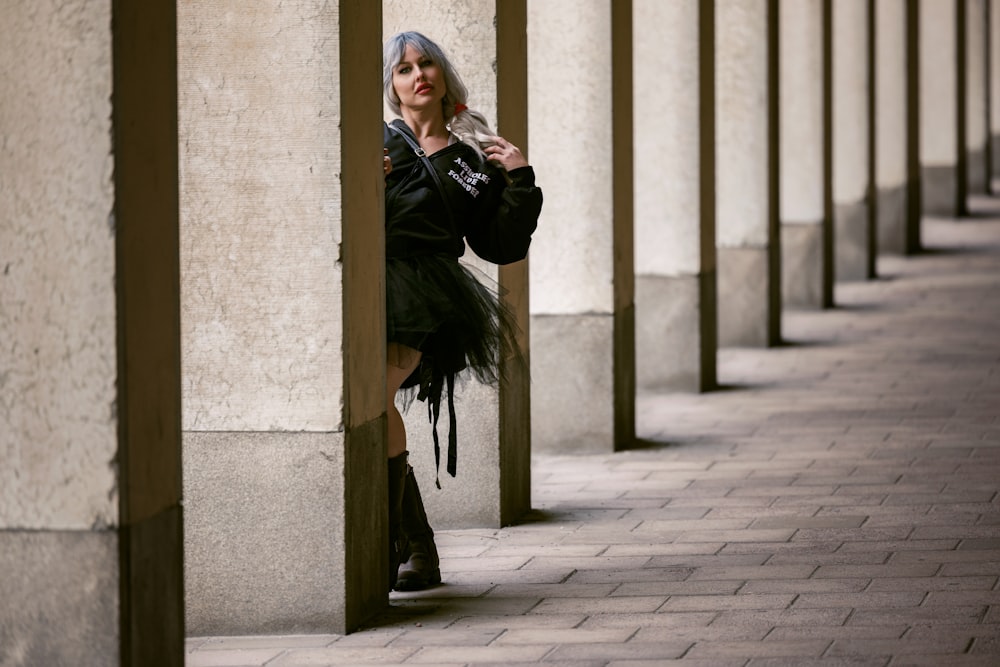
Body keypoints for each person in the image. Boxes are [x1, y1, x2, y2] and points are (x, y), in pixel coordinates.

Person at [381, 31, 543, 592]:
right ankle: (417, 548)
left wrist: (519, 180)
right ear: (392, 85)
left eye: (427, 64)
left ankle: (400, 544)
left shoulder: (468, 160)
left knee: (376, 396)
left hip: (426, 295)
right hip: (371, 289)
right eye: (404, 69)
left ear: (444, 76)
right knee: (373, 406)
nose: (417, 75)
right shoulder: (377, 144)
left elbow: (500, 244)